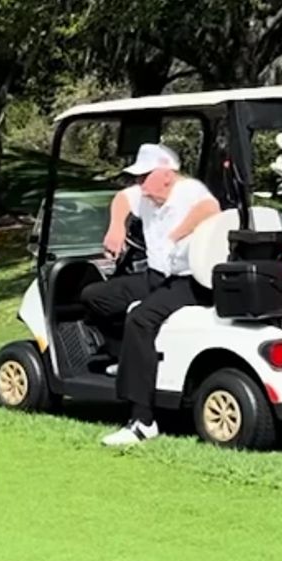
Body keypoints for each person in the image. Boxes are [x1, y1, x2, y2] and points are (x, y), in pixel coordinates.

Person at [80, 143, 220, 447]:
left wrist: (177, 234)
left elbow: (210, 209)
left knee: (140, 320)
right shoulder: (145, 196)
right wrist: (116, 227)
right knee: (94, 297)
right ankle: (125, 357)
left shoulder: (190, 190)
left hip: (189, 282)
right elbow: (121, 199)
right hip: (156, 276)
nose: (139, 185)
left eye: (144, 177)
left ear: (167, 175)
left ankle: (143, 421)